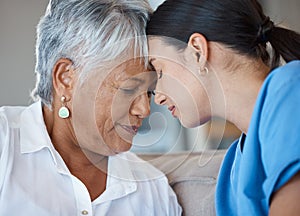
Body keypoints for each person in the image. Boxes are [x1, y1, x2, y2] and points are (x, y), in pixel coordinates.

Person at [0, 0, 182, 215]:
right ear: (65, 78)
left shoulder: (154, 192)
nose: (144, 109)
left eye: (150, 92)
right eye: (128, 89)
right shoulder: (5, 143)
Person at [146, 0, 300, 215]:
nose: (158, 98)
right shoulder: (234, 164)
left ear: (197, 52)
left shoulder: (291, 87)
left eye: (159, 71)